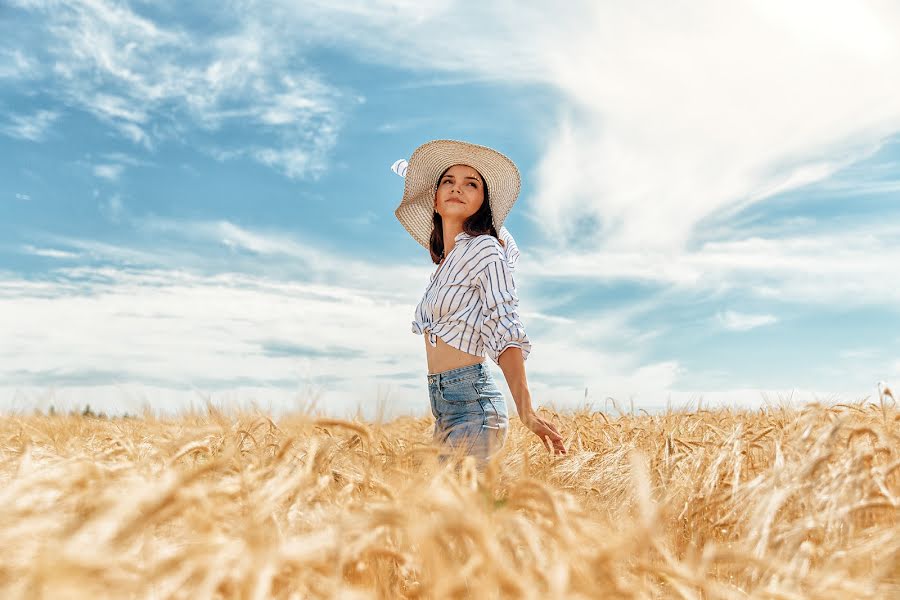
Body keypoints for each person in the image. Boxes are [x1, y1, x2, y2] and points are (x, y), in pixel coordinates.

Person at [393, 139, 566, 466]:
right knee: (439, 513)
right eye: (448, 181)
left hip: (473, 408)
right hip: (444, 411)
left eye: (470, 184)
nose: (457, 188)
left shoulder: (485, 249)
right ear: (435, 199)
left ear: (484, 201)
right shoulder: (445, 264)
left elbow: (505, 325)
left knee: (459, 513)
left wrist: (526, 412)